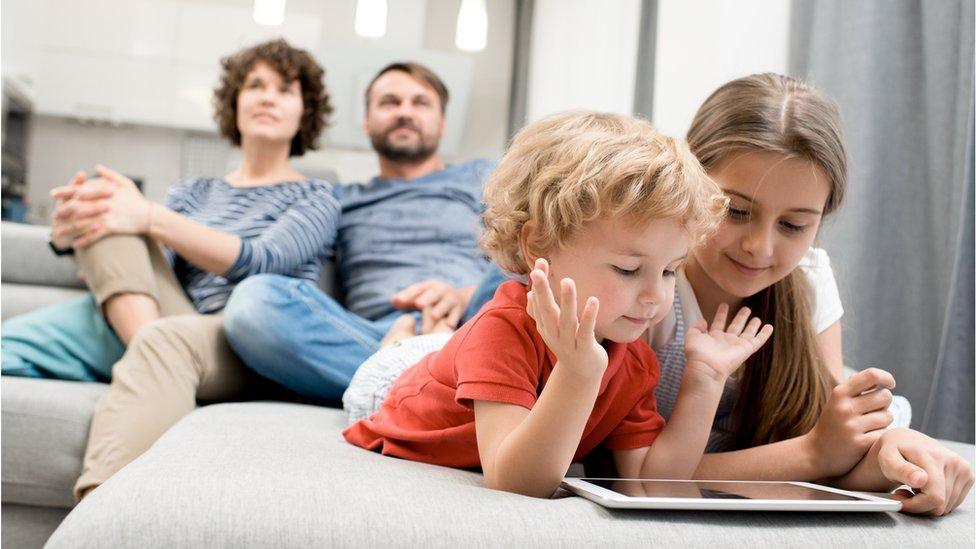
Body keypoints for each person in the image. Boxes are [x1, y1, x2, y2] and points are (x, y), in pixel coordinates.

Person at [346, 73, 974, 515]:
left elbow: (658, 479)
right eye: (735, 210)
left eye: (793, 225)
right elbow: (524, 475)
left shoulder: (638, 327)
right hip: (414, 378)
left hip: (532, 368)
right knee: (461, 326)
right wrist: (580, 369)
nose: (760, 248)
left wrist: (899, 453)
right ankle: (396, 331)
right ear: (697, 195)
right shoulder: (612, 300)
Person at [343, 110, 777, 498]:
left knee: (446, 348)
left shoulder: (634, 360)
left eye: (669, 271)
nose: (654, 296)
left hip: (460, 368)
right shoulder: (504, 331)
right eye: (628, 269)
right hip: (386, 391)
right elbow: (516, 482)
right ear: (538, 246)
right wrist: (578, 373)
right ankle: (399, 342)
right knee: (403, 360)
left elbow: (652, 482)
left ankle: (431, 340)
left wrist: (705, 380)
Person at [1, 38, 340, 499]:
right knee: (109, 201)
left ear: (305, 112)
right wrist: (74, 232)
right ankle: (155, 359)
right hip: (175, 321)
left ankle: (100, 511)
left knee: (131, 225)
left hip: (247, 339)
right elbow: (152, 263)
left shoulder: (316, 197)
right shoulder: (192, 192)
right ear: (234, 103)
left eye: (284, 90)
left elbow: (262, 262)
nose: (266, 96)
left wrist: (149, 216)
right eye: (254, 85)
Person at [222, 62, 497, 401]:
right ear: (367, 122)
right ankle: (438, 382)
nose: (405, 112)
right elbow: (270, 252)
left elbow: (520, 257)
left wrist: (463, 295)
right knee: (253, 304)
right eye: (389, 102)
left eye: (420, 103)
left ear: (442, 123)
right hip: (376, 337)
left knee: (540, 242)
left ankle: (402, 382)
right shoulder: (335, 200)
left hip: (476, 322)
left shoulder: (482, 176)